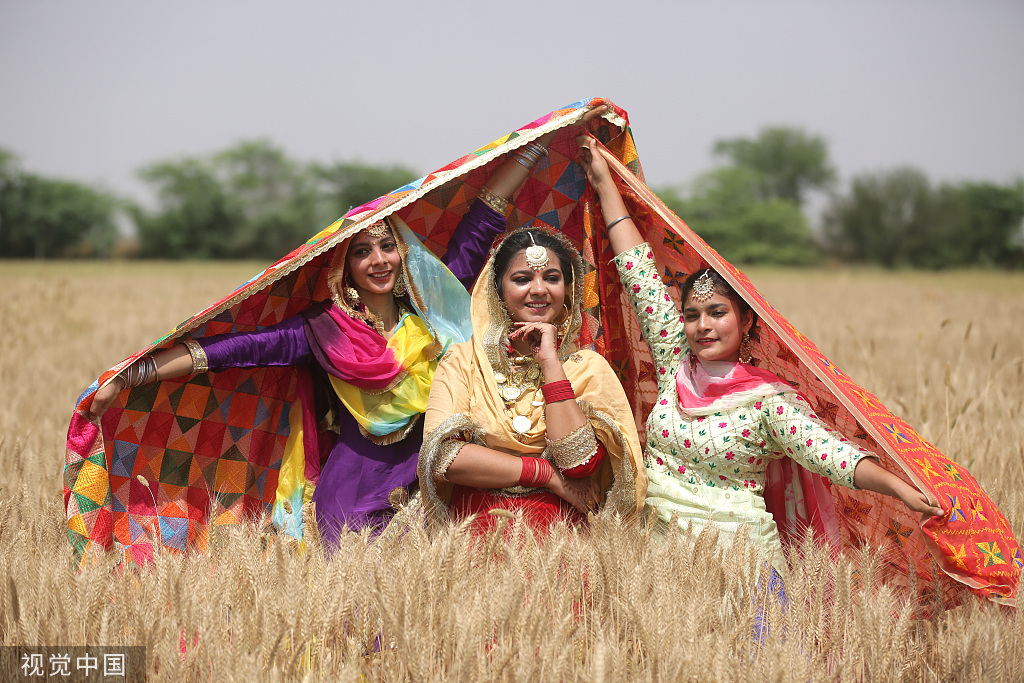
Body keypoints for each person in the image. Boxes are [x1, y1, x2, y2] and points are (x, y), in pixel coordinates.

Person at [85, 131, 574, 549]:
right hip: (351, 492)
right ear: (344, 265)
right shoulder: (321, 331)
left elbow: (483, 217)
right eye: (363, 251)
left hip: (431, 486)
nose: (379, 260)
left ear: (404, 255)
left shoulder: (435, 315)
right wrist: (129, 377)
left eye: (388, 246)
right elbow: (228, 351)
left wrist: (542, 141)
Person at [577, 136, 944, 582]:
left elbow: (831, 455)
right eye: (692, 315)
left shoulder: (767, 401)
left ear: (746, 321)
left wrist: (899, 488)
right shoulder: (676, 365)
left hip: (740, 566)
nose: (702, 326)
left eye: (717, 313)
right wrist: (604, 184)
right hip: (657, 561)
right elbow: (640, 273)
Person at [418, 226, 647, 532]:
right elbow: (444, 458)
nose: (539, 289)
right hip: (475, 535)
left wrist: (551, 362)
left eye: (552, 278)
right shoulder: (463, 361)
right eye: (522, 279)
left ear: (568, 290)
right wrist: (546, 474)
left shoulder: (588, 368)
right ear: (497, 290)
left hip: (559, 540)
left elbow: (578, 462)